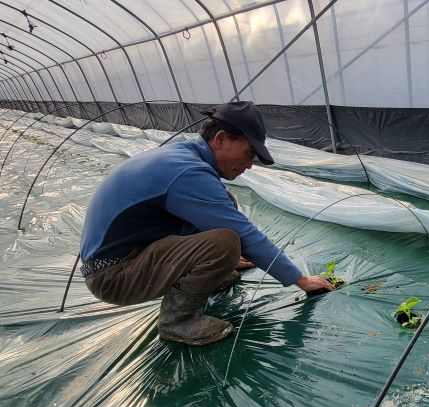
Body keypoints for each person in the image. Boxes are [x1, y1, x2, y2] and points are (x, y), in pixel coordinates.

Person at [79, 101, 334, 346]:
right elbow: (243, 233)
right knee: (225, 242)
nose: (248, 166)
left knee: (225, 203)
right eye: (248, 154)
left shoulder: (182, 156)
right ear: (220, 138)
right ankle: (177, 322)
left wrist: (229, 263)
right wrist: (300, 279)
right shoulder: (186, 172)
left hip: (126, 256)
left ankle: (210, 275)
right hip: (113, 276)